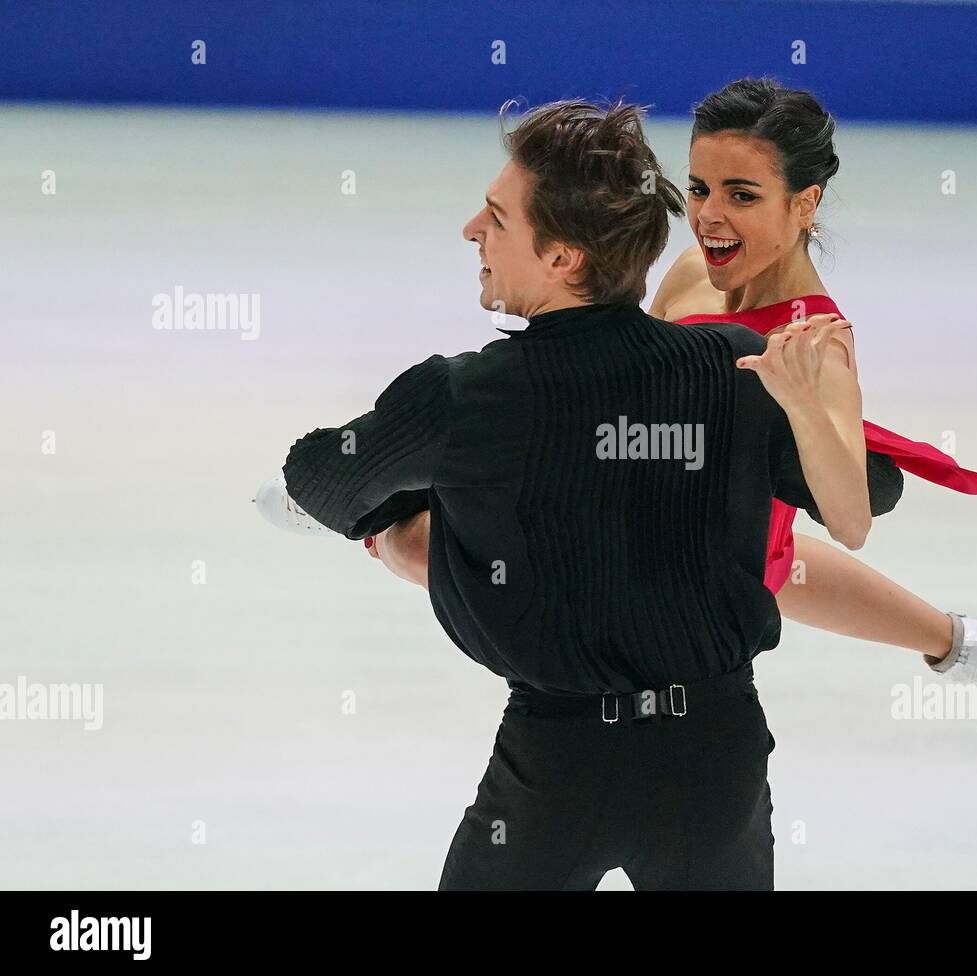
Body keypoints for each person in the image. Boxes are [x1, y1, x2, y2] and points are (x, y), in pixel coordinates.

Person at [276, 99, 900, 889]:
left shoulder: (466, 396)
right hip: (713, 759)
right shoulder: (734, 368)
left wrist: (408, 527)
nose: (472, 228)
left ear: (565, 257)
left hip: (553, 770)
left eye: (497, 218)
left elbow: (319, 478)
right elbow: (870, 486)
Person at [356, 78, 977, 691]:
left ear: (804, 204)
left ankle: (966, 645)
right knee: (771, 551)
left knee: (413, 543)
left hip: (697, 563)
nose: (708, 214)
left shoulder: (818, 345)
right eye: (699, 188)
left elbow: (853, 524)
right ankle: (964, 641)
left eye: (742, 194)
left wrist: (798, 404)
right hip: (654, 489)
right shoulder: (694, 272)